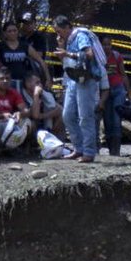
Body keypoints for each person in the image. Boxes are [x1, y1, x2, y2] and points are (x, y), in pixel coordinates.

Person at [53, 14, 105, 162]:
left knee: (85, 116)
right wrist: (63, 48)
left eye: (59, 31)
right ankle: (78, 148)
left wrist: (67, 52)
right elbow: (67, 61)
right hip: (73, 79)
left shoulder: (80, 35)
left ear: (67, 27)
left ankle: (88, 152)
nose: (58, 34)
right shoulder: (68, 40)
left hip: (86, 79)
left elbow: (88, 54)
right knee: (67, 115)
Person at [100, 34, 130, 156]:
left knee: (117, 120)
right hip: (105, 90)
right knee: (107, 120)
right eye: (104, 44)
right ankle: (110, 148)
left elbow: (123, 74)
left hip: (118, 89)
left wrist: (129, 92)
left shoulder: (117, 56)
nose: (107, 47)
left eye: (109, 44)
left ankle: (116, 151)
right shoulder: (98, 58)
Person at [0, 21, 46, 89]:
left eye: (14, 30)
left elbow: (40, 59)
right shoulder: (1, 45)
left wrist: (48, 78)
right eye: (9, 31)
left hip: (24, 79)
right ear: (5, 33)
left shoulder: (28, 43)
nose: (12, 33)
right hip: (7, 80)